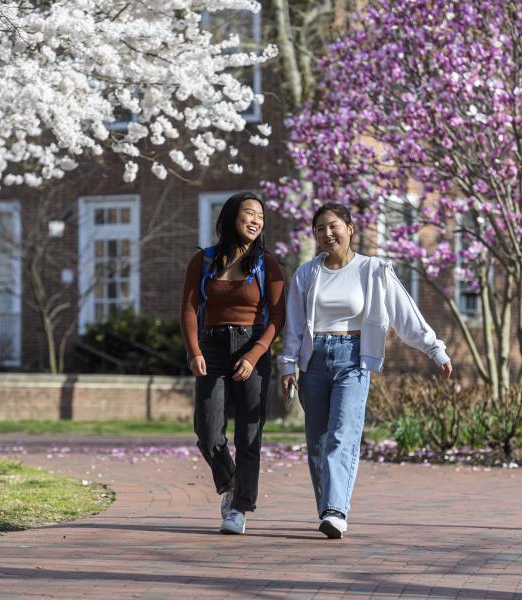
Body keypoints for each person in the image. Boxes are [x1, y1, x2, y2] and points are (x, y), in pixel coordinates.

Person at [279, 203, 452, 539]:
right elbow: (296, 326)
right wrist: (287, 364)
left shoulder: (373, 269)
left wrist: (433, 348)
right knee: (317, 441)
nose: (327, 234)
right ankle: (328, 506)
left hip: (353, 359)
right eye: (319, 229)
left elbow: (405, 313)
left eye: (333, 226)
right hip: (313, 362)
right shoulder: (307, 273)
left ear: (350, 227)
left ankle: (335, 510)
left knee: (342, 434)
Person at [180, 192, 286, 535]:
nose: (255, 220)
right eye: (249, 213)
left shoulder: (267, 264)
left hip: (252, 344)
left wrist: (254, 356)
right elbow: (188, 308)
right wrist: (195, 350)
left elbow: (278, 318)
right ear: (230, 218)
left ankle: (240, 508)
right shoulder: (204, 260)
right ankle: (231, 483)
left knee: (249, 434)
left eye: (260, 216)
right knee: (208, 432)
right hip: (211, 346)